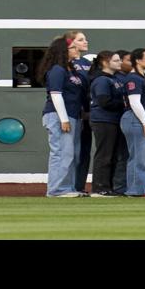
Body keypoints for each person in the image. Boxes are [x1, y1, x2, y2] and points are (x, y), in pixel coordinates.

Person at [36, 38, 82, 197]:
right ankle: (57, 190)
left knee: (69, 153)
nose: (77, 50)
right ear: (64, 51)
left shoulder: (70, 69)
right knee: (61, 152)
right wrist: (63, 119)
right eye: (73, 48)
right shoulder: (57, 70)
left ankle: (67, 188)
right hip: (59, 115)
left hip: (70, 115)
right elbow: (56, 95)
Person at [118, 48, 145, 197]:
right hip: (136, 118)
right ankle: (136, 190)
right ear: (138, 60)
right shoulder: (133, 78)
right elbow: (135, 102)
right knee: (138, 156)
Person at [87, 50, 125, 197]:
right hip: (104, 120)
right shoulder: (102, 80)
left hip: (113, 120)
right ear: (105, 62)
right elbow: (104, 101)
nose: (120, 63)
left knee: (113, 155)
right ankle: (99, 187)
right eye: (116, 61)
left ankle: (108, 186)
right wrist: (124, 103)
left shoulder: (114, 79)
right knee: (105, 155)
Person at [65, 30, 92, 193]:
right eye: (81, 40)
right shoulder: (66, 65)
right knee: (71, 151)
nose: (85, 42)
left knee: (84, 150)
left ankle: (79, 186)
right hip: (74, 111)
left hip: (88, 112)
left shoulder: (88, 64)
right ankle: (68, 186)